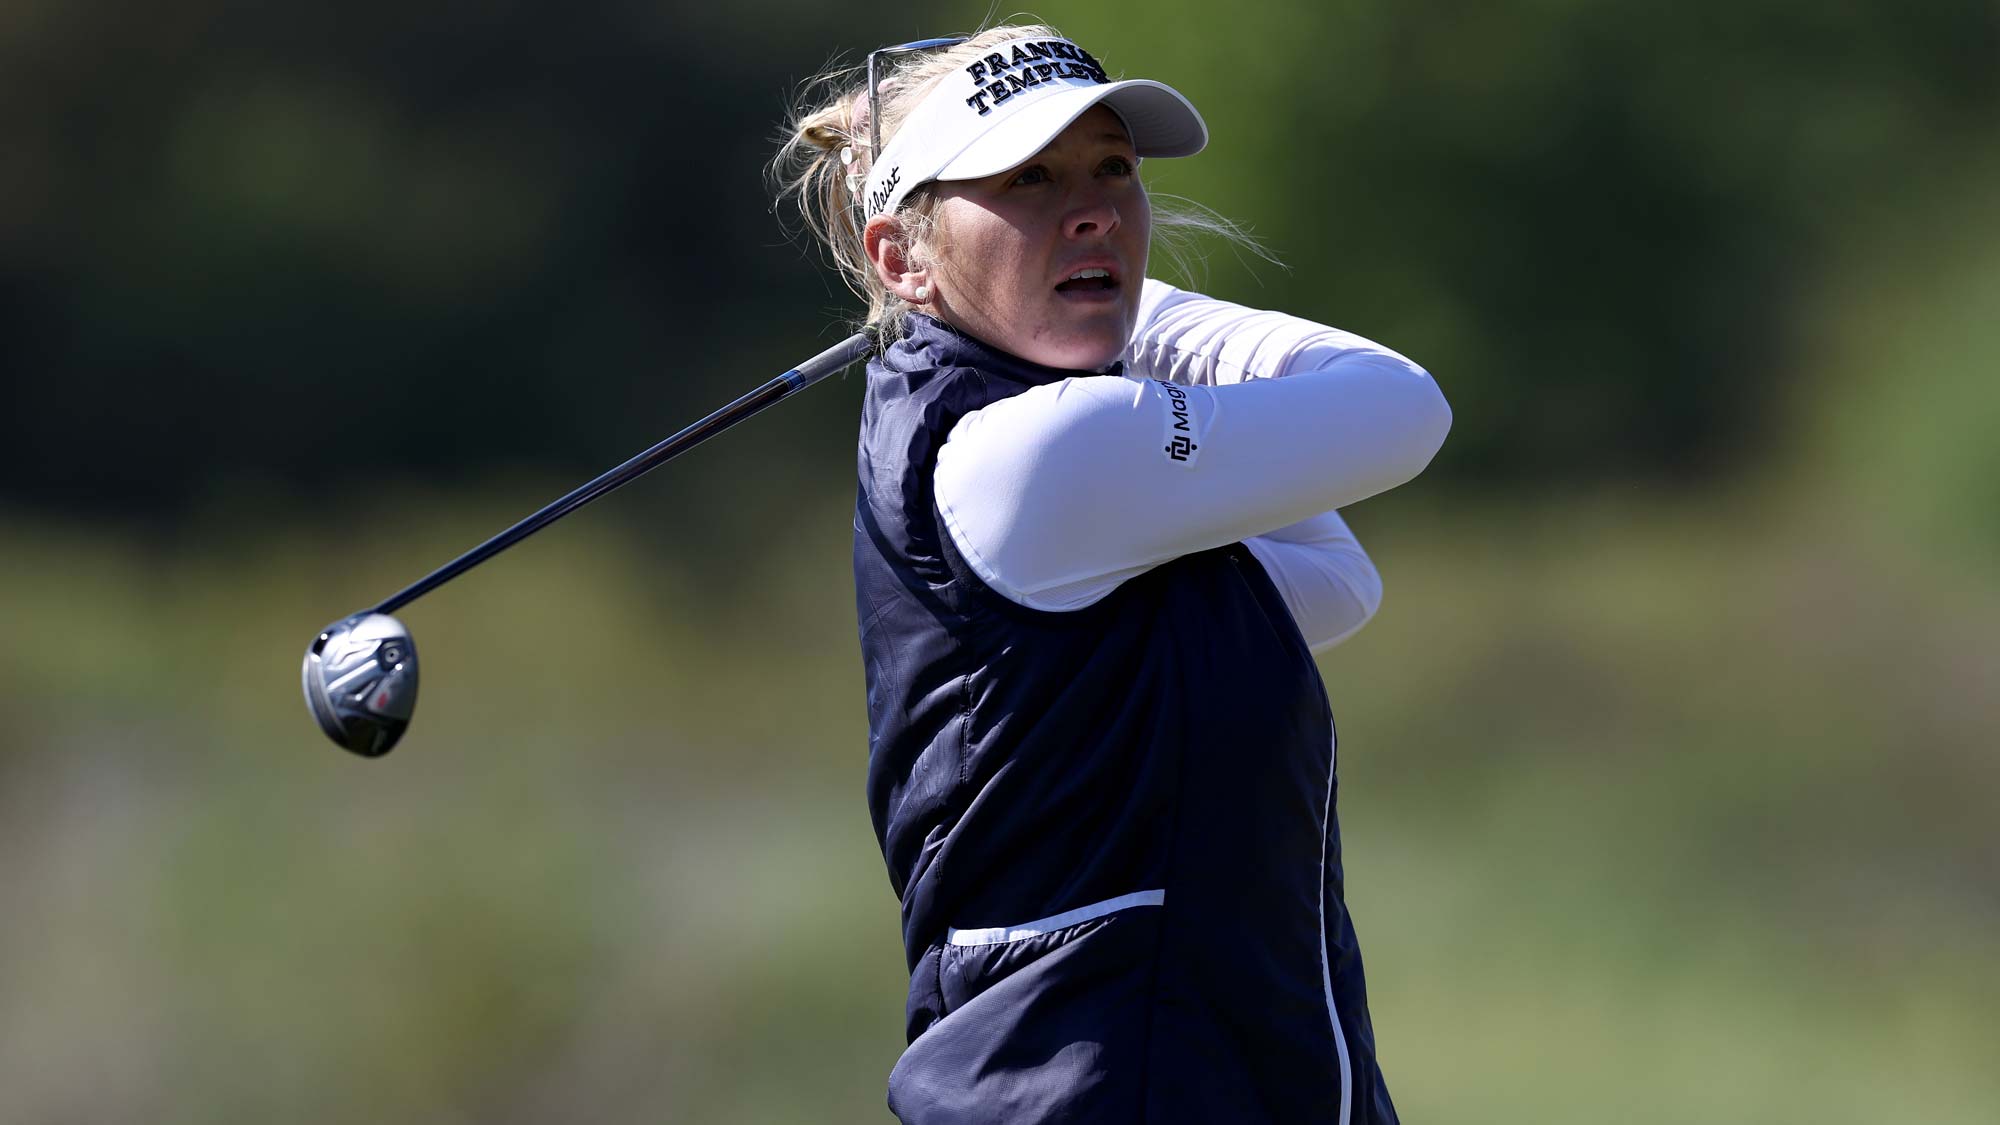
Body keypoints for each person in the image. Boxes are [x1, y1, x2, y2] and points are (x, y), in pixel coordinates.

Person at [771, 23, 1450, 1125]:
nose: (1091, 210)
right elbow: (1403, 408)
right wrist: (1146, 313)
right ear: (901, 258)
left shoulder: (1064, 458)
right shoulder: (1029, 455)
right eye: (1029, 180)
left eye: (1111, 172)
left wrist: (1101, 312)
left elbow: (1332, 580)